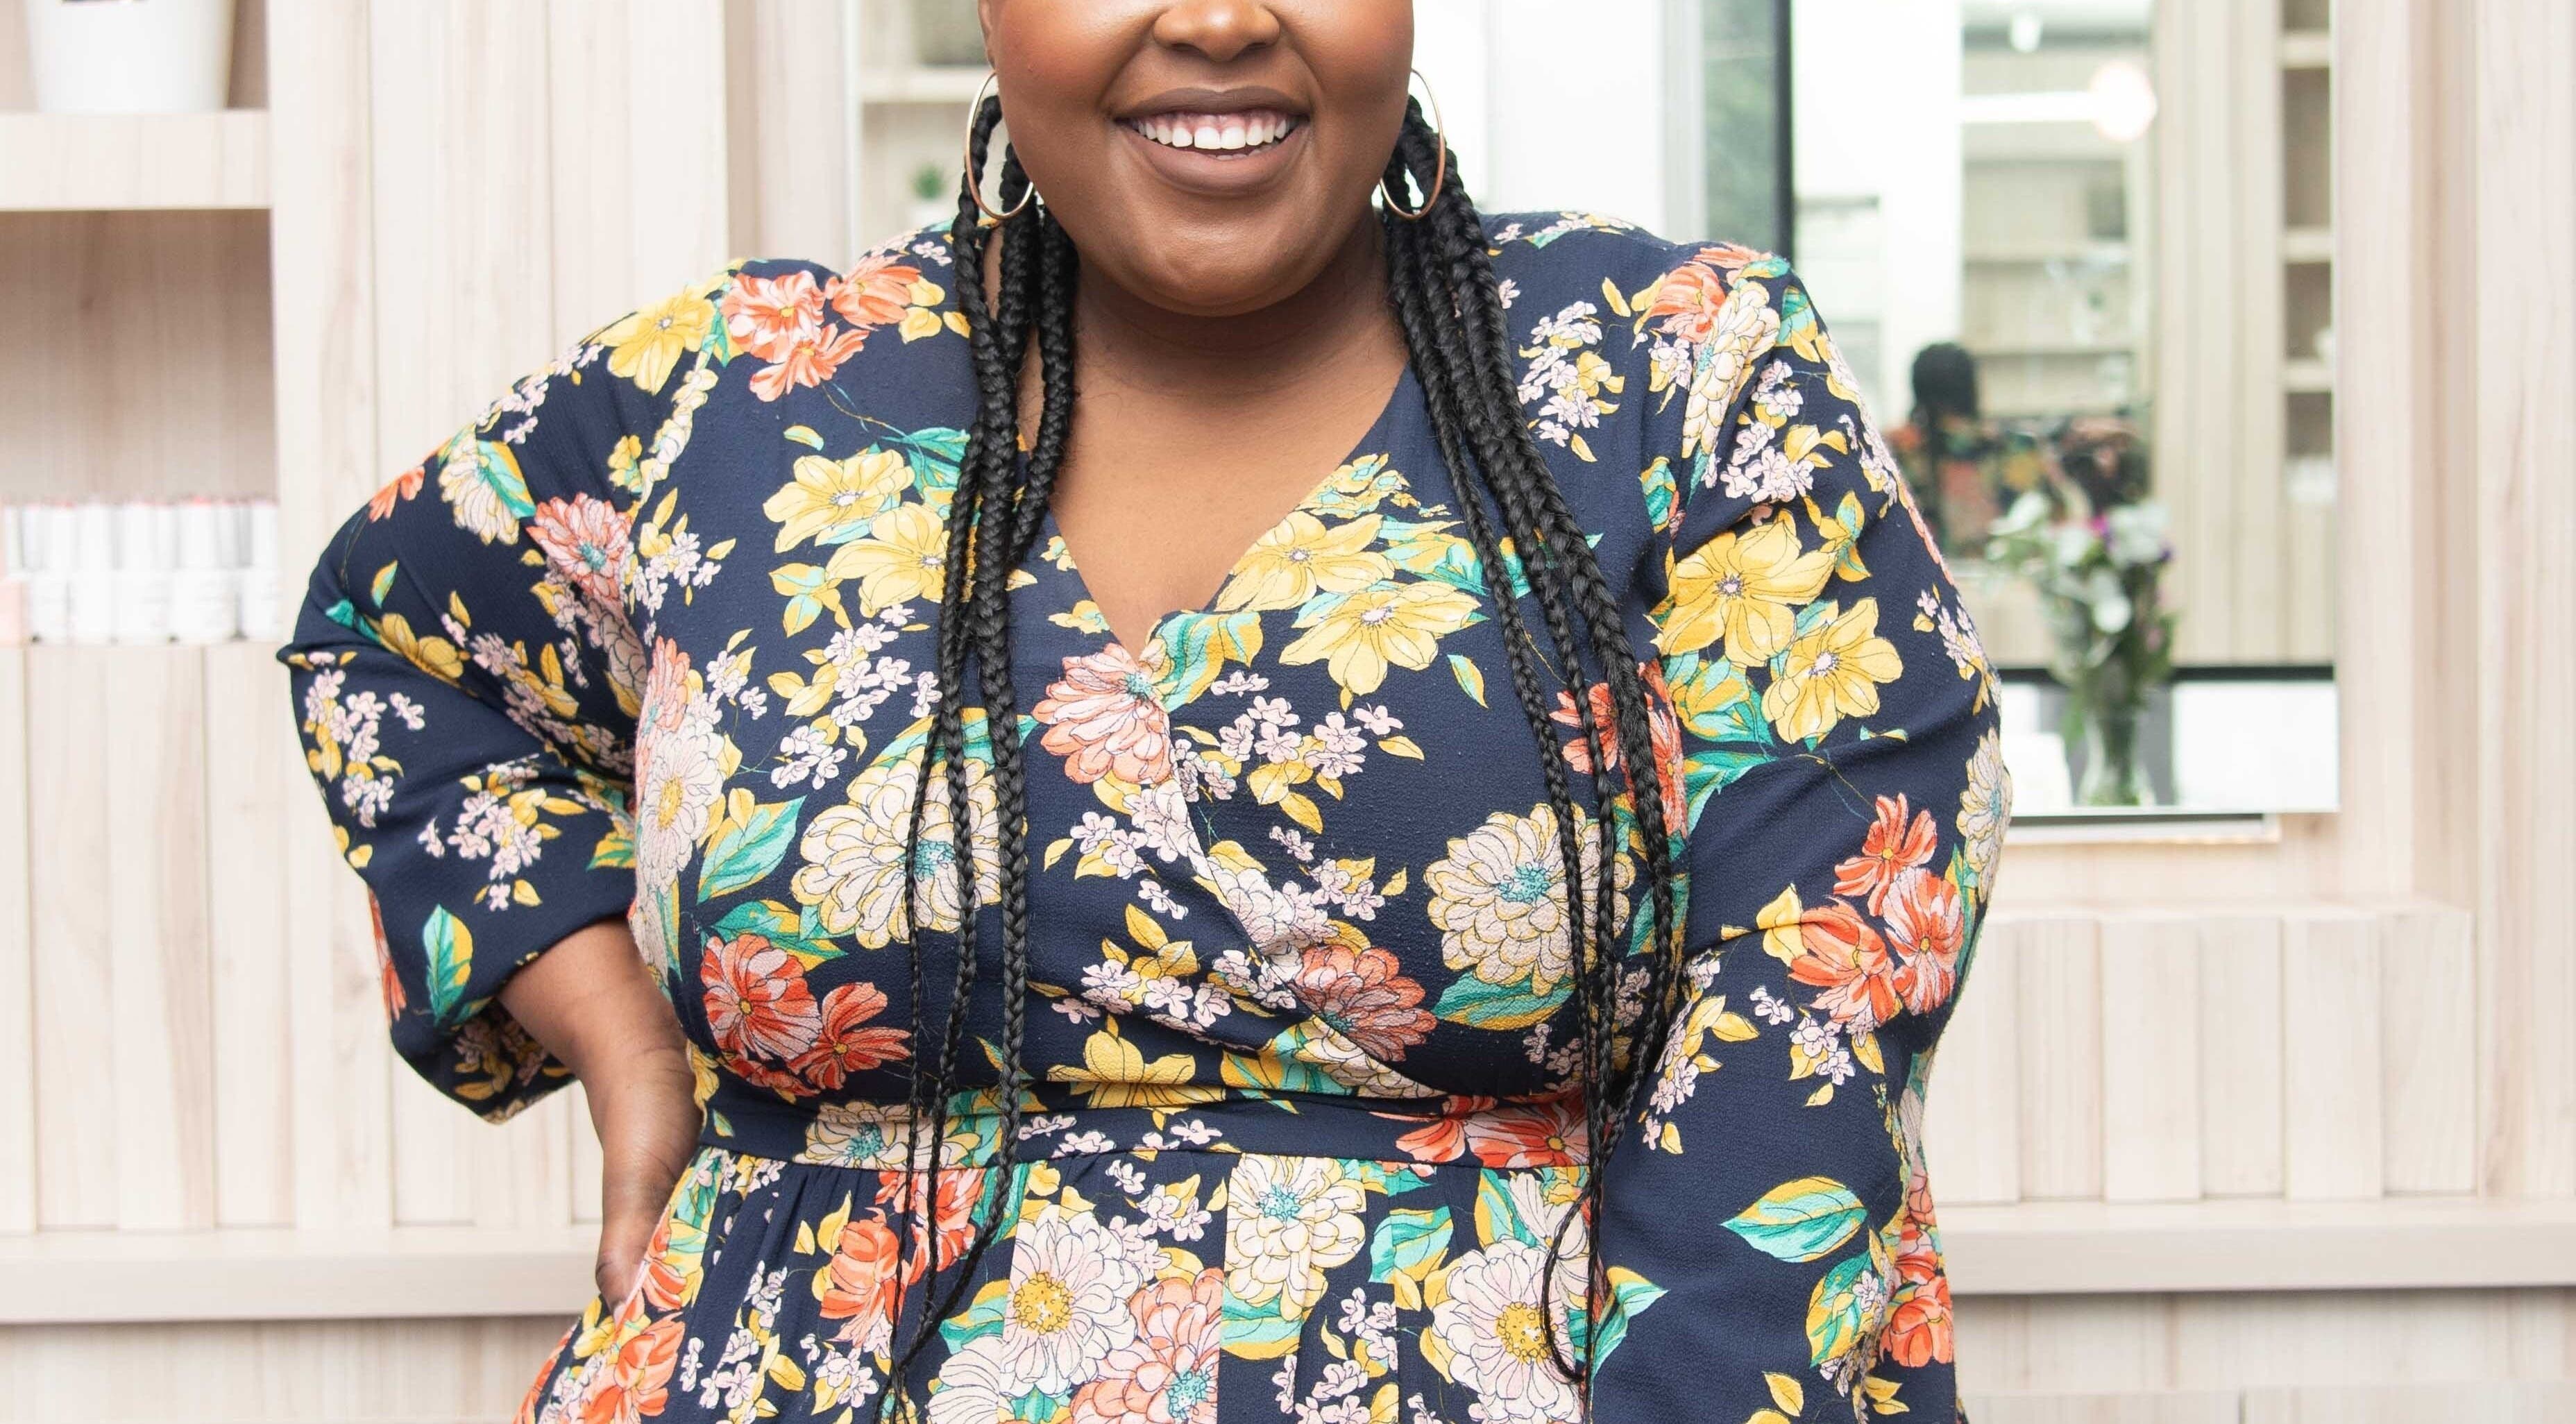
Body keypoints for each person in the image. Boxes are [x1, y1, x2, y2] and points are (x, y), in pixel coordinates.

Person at [277, 4, 2012, 1421]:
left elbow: (1827, 967)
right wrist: (625, 1043)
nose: (1217, 20)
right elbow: (391, 641)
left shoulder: (1675, 374)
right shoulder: (737, 392)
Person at [1886, 341, 2049, 559]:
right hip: (2001, 582)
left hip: (1923, 583)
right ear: (1972, 388)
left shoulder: (1894, 450)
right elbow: (2062, 512)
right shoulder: (2014, 447)